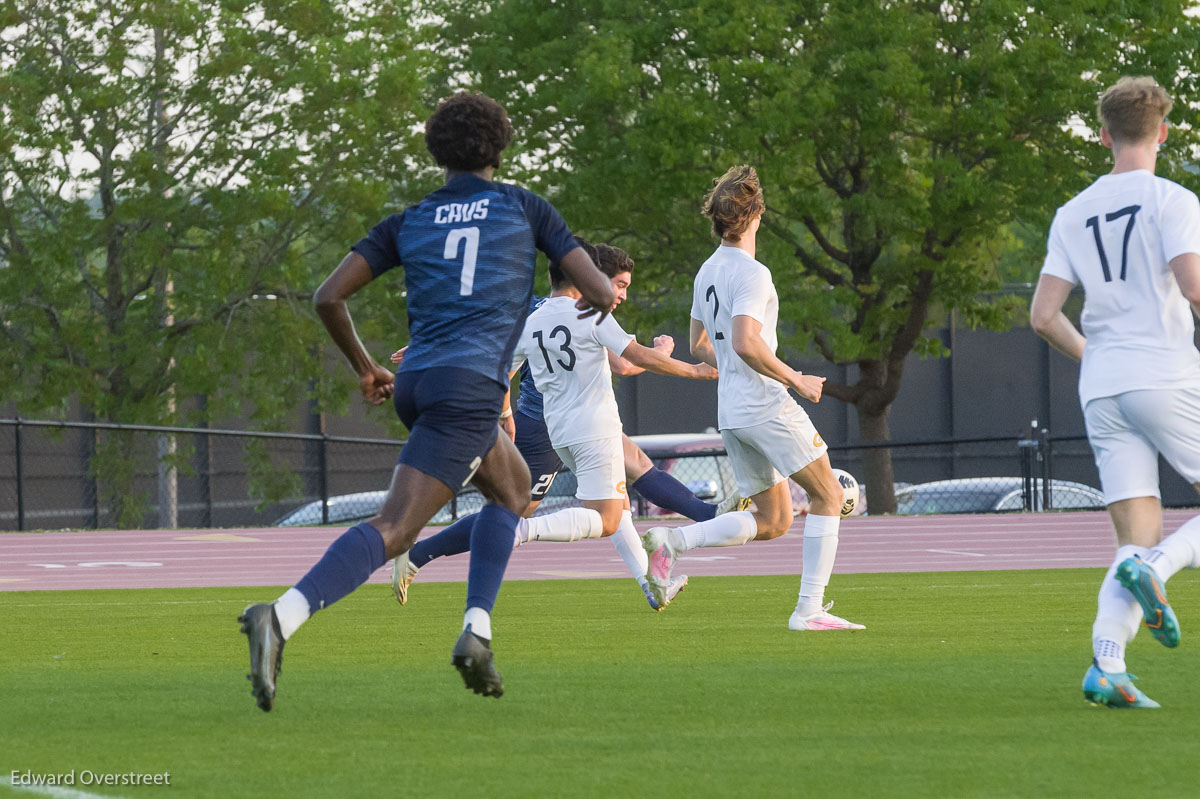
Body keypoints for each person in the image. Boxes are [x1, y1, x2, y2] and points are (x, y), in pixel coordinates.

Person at [237, 92, 614, 708]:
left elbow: (329, 296)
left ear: (437, 150)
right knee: (394, 528)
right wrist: (597, 298)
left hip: (420, 380)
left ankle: (478, 634)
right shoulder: (524, 208)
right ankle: (278, 616)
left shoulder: (410, 220)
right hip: (468, 390)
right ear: (500, 146)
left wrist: (366, 368)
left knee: (513, 489)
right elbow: (596, 287)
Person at [393, 240, 729, 609]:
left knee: (622, 498)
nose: (622, 295)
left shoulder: (533, 318)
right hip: (567, 429)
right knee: (585, 517)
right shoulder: (591, 315)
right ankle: (450, 547)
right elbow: (632, 359)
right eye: (620, 285)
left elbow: (494, 358)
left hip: (562, 430)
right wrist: (694, 369)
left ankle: (658, 580)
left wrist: (499, 411)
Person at [1030, 76, 1200, 708]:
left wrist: (1095, 355)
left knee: (1136, 532)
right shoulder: (1173, 200)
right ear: (1161, 131)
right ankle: (1158, 571)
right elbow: (1194, 287)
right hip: (1165, 371)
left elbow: (1044, 315)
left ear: (1104, 135)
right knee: (1149, 553)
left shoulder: (1072, 212)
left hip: (1102, 387)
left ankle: (1108, 665)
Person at [640, 165, 864, 632]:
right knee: (829, 495)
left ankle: (672, 541)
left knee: (776, 518)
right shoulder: (753, 273)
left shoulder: (707, 271)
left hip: (733, 412)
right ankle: (809, 611)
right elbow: (745, 341)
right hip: (766, 405)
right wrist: (794, 379)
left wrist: (738, 370)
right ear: (756, 214)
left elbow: (702, 345)